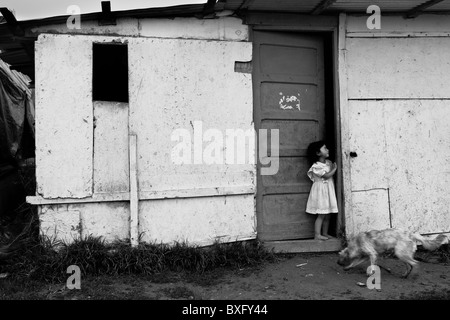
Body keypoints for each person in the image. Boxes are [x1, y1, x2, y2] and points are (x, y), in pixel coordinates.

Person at [305, 141, 338, 240]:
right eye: (324, 148)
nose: (327, 149)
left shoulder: (328, 163)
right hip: (321, 192)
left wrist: (332, 166)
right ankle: (317, 234)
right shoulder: (316, 166)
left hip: (328, 190)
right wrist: (335, 169)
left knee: (327, 214)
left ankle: (325, 233)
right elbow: (327, 176)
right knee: (321, 214)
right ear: (318, 153)